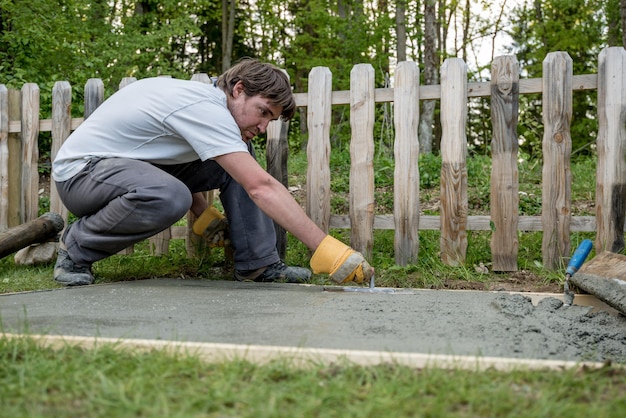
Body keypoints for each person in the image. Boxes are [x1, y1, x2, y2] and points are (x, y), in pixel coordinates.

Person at [51, 58, 374, 286]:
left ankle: (258, 264)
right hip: (82, 175)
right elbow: (260, 187)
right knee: (172, 194)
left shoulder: (206, 109)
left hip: (126, 171)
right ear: (238, 89)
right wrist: (328, 251)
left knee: (239, 157)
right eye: (262, 112)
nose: (263, 126)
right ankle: (74, 250)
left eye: (270, 120)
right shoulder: (203, 108)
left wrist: (202, 212)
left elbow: (157, 157)